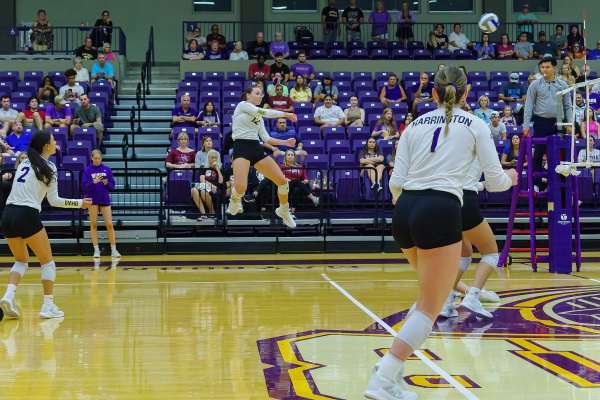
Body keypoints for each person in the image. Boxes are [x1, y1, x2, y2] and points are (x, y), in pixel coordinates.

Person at [364, 66, 516, 400]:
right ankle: (383, 376)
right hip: (440, 208)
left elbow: (395, 183)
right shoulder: (476, 124)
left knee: (426, 298)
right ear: (467, 92)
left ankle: (393, 377)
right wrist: (512, 177)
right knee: (429, 309)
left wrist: (412, 207)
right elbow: (494, 181)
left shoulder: (414, 125)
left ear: (433, 93)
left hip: (405, 211)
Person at [0, 130, 93, 320]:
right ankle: (48, 306)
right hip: (27, 214)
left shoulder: (24, 162)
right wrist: (79, 203)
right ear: (46, 147)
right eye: (52, 140)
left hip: (8, 214)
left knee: (21, 261)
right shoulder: (49, 167)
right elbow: (55, 201)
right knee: (47, 262)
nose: (55, 143)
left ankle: (8, 296)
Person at [225, 86, 298, 228]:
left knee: (283, 182)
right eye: (257, 93)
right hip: (241, 147)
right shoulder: (243, 105)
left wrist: (285, 142)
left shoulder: (259, 118)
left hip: (256, 148)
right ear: (248, 95)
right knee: (241, 188)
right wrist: (286, 114)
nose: (260, 96)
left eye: (261, 94)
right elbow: (263, 111)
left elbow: (267, 139)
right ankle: (234, 200)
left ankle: (283, 210)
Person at [524, 57, 573, 189]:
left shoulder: (563, 84)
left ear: (554, 68)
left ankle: (561, 187)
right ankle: (537, 185)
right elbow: (528, 106)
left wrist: (569, 124)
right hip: (541, 122)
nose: (544, 70)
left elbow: (568, 106)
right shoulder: (535, 85)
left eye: (547, 67)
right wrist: (526, 126)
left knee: (560, 155)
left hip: (558, 122)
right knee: (538, 154)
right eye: (542, 67)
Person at [82, 149, 119, 258]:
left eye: (99, 158)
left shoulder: (107, 169)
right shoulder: (87, 170)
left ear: (101, 158)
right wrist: (93, 182)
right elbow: (84, 187)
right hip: (92, 200)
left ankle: (114, 250)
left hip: (104, 199)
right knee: (93, 224)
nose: (97, 160)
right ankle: (96, 250)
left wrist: (107, 183)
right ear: (92, 158)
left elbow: (112, 186)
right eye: (95, 158)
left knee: (109, 224)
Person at [191, 149, 223, 220]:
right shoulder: (204, 168)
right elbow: (202, 180)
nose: (214, 159)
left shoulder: (220, 168)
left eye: (215, 157)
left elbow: (221, 182)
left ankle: (212, 211)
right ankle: (203, 214)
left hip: (216, 189)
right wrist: (211, 186)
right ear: (208, 158)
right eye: (212, 157)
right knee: (193, 190)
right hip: (206, 186)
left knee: (203, 191)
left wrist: (217, 169)